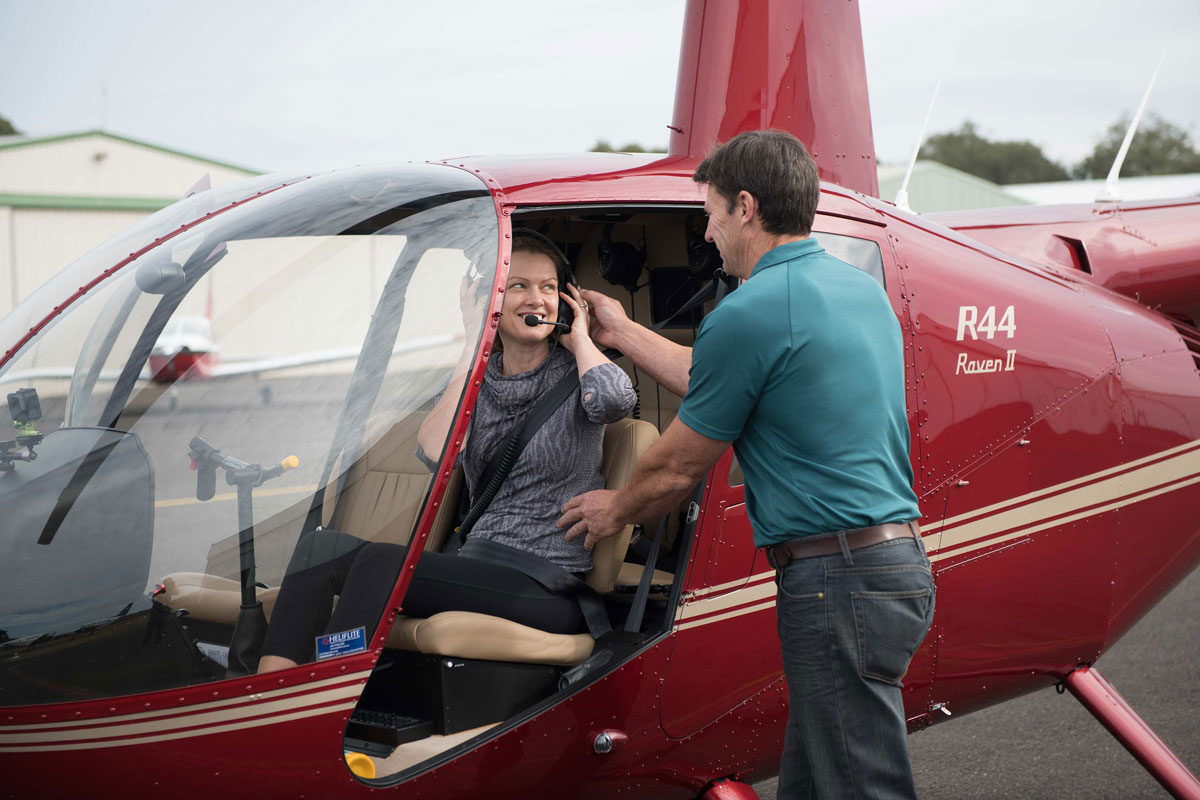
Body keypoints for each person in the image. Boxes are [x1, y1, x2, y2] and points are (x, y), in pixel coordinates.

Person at [557, 130, 933, 800]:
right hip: (890, 571)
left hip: (835, 582)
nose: (706, 232)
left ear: (747, 208)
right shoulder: (854, 292)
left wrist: (612, 508)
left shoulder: (751, 310)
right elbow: (723, 376)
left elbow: (677, 466)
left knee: (864, 788)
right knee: (818, 784)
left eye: (711, 212)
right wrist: (619, 332)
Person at [257, 231, 636, 673]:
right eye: (518, 286)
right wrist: (472, 344)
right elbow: (436, 452)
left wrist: (581, 338)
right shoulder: (477, 381)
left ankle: (328, 687)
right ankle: (273, 692)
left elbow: (614, 401)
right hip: (475, 564)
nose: (536, 299)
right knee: (319, 549)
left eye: (548, 288)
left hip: (547, 584)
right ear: (491, 297)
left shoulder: (578, 376)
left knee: (380, 562)